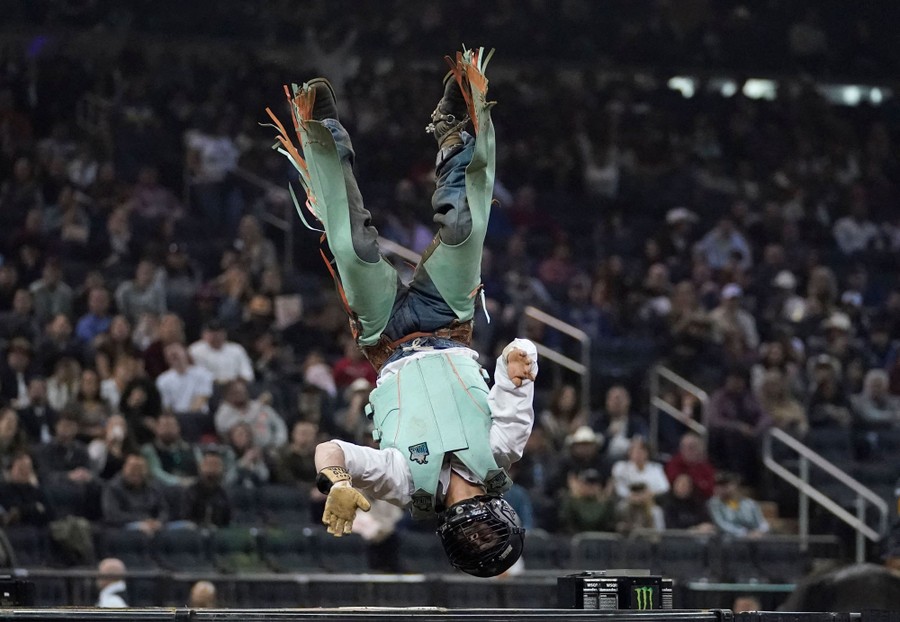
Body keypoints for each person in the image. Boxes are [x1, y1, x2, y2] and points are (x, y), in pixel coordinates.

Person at [270, 48, 538, 577]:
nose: (478, 532)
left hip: (387, 336)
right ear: (506, 519)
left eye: (473, 543)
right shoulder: (504, 447)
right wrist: (518, 360)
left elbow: (330, 449)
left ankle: (322, 130)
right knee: (465, 231)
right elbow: (519, 355)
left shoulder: (401, 484)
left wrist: (337, 483)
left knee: (349, 247)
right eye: (492, 538)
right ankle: (455, 136)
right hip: (451, 320)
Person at [706, 471, 770, 537]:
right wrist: (745, 533)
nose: (722, 489)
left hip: (753, 539)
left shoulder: (750, 504)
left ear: (736, 486)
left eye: (726, 485)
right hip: (728, 540)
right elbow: (722, 525)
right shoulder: (715, 504)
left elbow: (762, 523)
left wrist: (759, 531)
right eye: (719, 485)